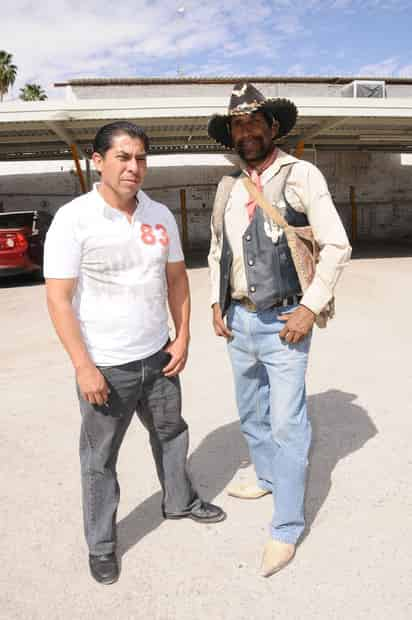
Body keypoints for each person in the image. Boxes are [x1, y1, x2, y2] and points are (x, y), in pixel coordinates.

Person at [44, 121, 225, 585]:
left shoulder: (159, 215)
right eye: (123, 157)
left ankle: (179, 501)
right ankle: (102, 545)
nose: (133, 167)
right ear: (97, 160)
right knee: (99, 459)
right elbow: (58, 298)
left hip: (159, 357)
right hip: (106, 365)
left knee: (171, 434)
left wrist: (182, 336)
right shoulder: (74, 219)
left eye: (140, 157)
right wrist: (84, 367)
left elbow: (177, 281)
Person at [207, 83, 351, 577]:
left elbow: (337, 245)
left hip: (285, 321)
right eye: (237, 125)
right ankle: (267, 477)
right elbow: (215, 249)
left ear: (273, 127)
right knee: (251, 413)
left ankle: (287, 526)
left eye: (254, 122)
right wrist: (215, 300)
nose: (245, 132)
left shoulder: (300, 174)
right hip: (240, 320)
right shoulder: (229, 185)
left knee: (289, 424)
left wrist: (311, 308)